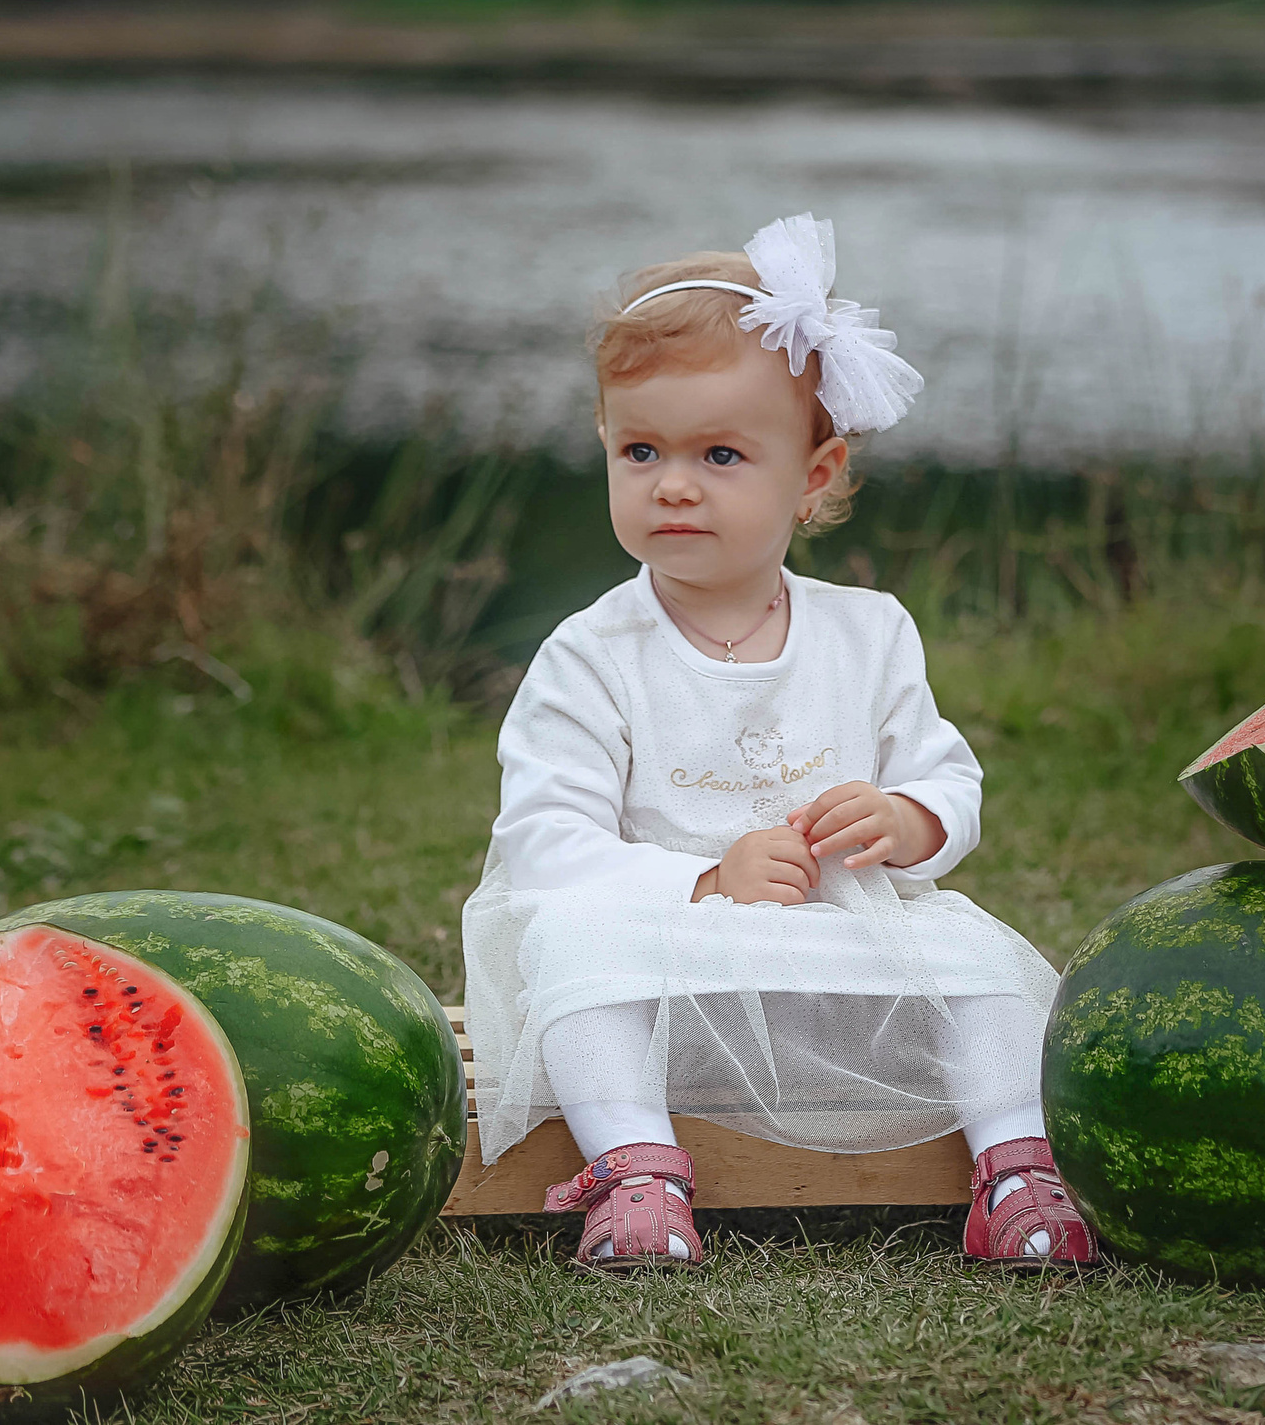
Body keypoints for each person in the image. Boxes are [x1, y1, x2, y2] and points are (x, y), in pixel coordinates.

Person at [460, 213, 1097, 1270]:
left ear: (813, 475)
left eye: (719, 454)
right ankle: (636, 1171)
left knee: (984, 966)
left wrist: (908, 817)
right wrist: (705, 882)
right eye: (640, 450)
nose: (671, 483)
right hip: (665, 945)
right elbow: (545, 846)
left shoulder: (869, 630)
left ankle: (1014, 1168)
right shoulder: (590, 653)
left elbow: (947, 773)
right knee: (567, 964)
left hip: (842, 939)